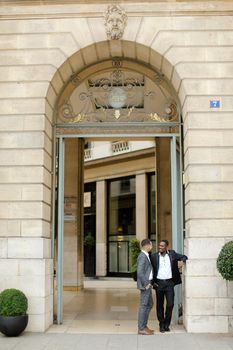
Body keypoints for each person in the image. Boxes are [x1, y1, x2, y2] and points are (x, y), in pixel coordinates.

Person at [151, 239, 188, 333]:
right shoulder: (154, 256)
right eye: (159, 246)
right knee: (159, 305)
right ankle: (161, 324)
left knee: (170, 304)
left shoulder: (172, 254)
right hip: (159, 283)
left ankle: (167, 324)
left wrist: (181, 262)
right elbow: (150, 270)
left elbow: (184, 256)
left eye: (162, 246)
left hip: (169, 283)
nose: (160, 247)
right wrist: (152, 282)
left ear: (167, 247)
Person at [137, 239, 154, 335]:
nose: (152, 246)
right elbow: (140, 272)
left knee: (149, 304)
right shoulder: (142, 256)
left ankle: (144, 325)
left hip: (148, 284)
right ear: (147, 245)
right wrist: (146, 283)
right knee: (144, 305)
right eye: (151, 245)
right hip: (145, 285)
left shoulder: (146, 255)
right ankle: (141, 328)